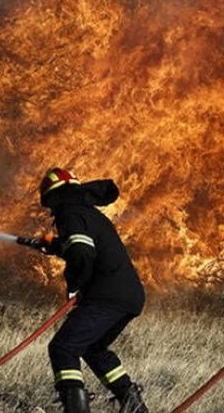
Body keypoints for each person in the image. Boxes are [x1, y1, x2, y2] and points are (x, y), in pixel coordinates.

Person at [38, 167, 148, 413]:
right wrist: (53, 245)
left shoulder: (70, 213)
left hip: (105, 296)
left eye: (50, 203)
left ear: (55, 196)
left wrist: (75, 285)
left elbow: (81, 252)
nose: (51, 210)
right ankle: (133, 405)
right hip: (129, 296)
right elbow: (82, 246)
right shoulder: (89, 213)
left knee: (64, 348)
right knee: (94, 348)